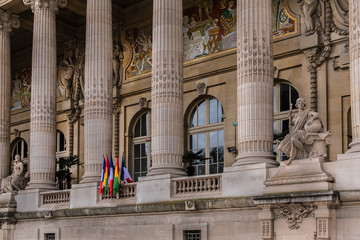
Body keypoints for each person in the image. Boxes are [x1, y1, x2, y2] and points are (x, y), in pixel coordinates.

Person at [277, 98, 323, 165]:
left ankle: (304, 152)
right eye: (299, 103)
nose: (300, 104)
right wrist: (290, 118)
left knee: (293, 139)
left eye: (302, 102)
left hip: (301, 131)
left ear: (304, 104)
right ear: (296, 105)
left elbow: (316, 114)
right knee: (280, 146)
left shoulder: (307, 112)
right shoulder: (296, 115)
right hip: (294, 131)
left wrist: (311, 119)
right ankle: (297, 155)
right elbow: (292, 127)